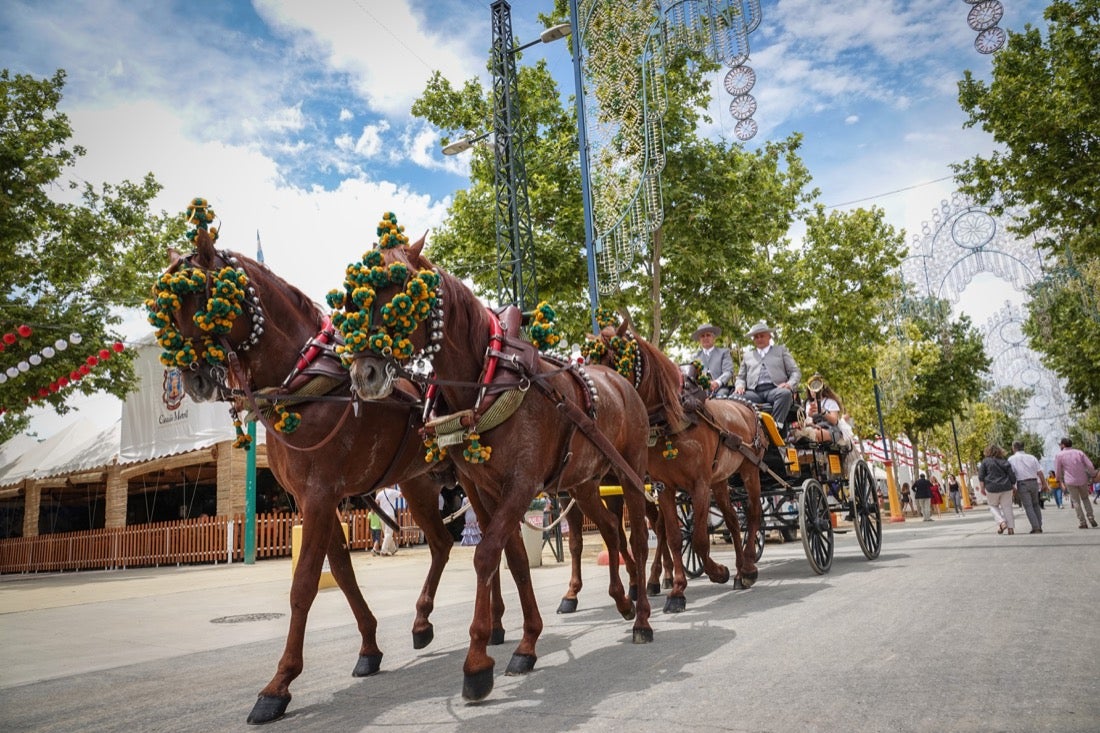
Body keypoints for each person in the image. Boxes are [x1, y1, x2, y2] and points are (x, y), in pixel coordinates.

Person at [734, 321, 801, 433]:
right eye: (756, 337)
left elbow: (795, 372)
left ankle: (774, 428)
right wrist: (739, 386)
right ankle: (740, 429)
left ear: (769, 336)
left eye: (762, 336)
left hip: (775, 390)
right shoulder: (747, 356)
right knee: (733, 398)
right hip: (754, 392)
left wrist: (789, 385)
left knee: (785, 394)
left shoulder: (780, 350)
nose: (759, 339)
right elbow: (741, 377)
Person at [1053, 437, 1097, 529]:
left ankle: (1083, 522)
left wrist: (1058, 479)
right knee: (1085, 498)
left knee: (1076, 501)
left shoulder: (1059, 455)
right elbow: (1090, 465)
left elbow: (1057, 470)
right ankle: (1091, 517)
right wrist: (1093, 474)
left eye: (1060, 444)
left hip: (1070, 481)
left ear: (1063, 445)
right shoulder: (1079, 452)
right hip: (1082, 479)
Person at [791, 374, 843, 444]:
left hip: (830, 429)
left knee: (812, 433)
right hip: (814, 428)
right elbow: (807, 422)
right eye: (811, 388)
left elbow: (834, 421)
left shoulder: (830, 402)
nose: (813, 391)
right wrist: (808, 418)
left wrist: (822, 412)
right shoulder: (808, 404)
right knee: (796, 433)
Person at [978, 443, 1017, 535]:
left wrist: (982, 488)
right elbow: (1011, 475)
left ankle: (1002, 522)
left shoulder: (985, 461)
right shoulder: (1004, 461)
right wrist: (1013, 484)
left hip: (991, 487)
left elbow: (981, 476)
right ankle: (1010, 528)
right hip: (1006, 487)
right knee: (1007, 507)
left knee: (993, 506)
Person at [1008, 440, 1045, 534]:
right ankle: (1039, 524)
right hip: (1034, 482)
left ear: (1014, 448)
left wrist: (1013, 487)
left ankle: (1036, 527)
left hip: (1022, 483)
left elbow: (1011, 474)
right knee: (1036, 504)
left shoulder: (1011, 459)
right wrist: (1044, 484)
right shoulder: (1032, 457)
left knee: (1028, 506)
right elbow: (1040, 472)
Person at [691, 324, 734, 398]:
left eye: (708, 335)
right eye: (702, 336)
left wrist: (717, 382)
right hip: (701, 389)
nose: (705, 338)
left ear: (713, 337)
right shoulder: (695, 357)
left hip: (720, 388)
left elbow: (728, 371)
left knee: (720, 398)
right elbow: (693, 376)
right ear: (699, 340)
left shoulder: (724, 352)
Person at [377, 484, 403, 555]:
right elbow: (401, 495)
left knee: (386, 534)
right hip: (390, 515)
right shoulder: (392, 491)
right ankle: (383, 550)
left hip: (382, 515)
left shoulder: (380, 493)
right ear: (391, 485)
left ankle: (393, 549)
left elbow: (376, 502)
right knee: (389, 533)